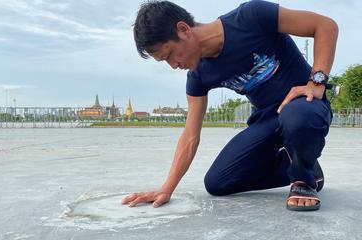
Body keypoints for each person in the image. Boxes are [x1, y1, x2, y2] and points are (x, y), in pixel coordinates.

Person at [121, 0, 338, 211]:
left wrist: (316, 82)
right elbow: (190, 136)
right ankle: (302, 164)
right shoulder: (198, 76)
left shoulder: (251, 16)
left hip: (304, 106)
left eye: (169, 55)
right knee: (218, 182)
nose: (173, 65)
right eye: (164, 61)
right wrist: (166, 189)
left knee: (298, 117)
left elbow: (325, 26)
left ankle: (303, 180)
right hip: (267, 120)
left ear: (183, 29)